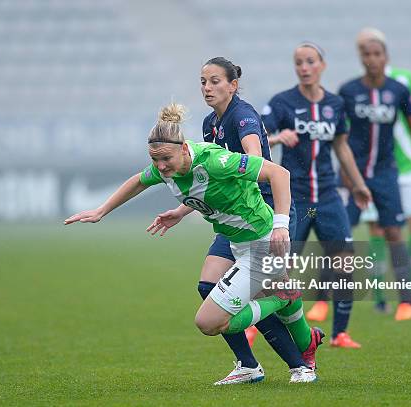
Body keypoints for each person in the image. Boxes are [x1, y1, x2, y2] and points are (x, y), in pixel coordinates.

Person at [65, 103, 318, 383]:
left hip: (262, 243)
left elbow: (279, 174)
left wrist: (281, 225)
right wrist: (102, 210)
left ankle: (282, 303)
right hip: (238, 244)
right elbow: (139, 181)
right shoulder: (165, 167)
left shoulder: (214, 161)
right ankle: (279, 357)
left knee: (209, 322)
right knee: (215, 304)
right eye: (155, 160)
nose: (161, 167)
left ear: (184, 149)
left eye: (165, 159)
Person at [147, 58, 322, 385]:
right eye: (203, 81)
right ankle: (250, 363)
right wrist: (184, 209)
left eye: (214, 81)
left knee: (263, 293)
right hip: (235, 218)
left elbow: (254, 165)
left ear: (233, 85)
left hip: (264, 210)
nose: (207, 88)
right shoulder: (210, 123)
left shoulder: (242, 117)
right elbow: (210, 182)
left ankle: (301, 360)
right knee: (208, 285)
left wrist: (271, 221)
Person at [259, 42, 372, 348]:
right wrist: (277, 137)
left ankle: (340, 334)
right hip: (294, 200)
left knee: (344, 260)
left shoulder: (335, 104)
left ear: (322, 65)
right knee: (281, 265)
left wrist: (358, 184)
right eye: (298, 62)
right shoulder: (282, 103)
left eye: (310, 61)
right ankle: (257, 324)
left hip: (327, 198)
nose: (304, 67)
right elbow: (257, 143)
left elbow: (341, 147)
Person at [335, 29, 411, 321]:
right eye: (366, 54)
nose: (372, 59)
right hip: (355, 174)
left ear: (385, 57)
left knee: (394, 231)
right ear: (361, 58)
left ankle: (406, 299)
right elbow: (338, 134)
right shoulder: (348, 91)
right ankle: (331, 295)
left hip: (385, 173)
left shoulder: (398, 90)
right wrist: (344, 170)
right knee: (341, 231)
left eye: (377, 54)